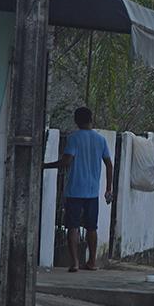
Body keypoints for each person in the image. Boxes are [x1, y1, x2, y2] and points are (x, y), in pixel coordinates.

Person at [45, 107, 113, 273]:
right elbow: (109, 165)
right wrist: (108, 188)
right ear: (91, 119)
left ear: (76, 121)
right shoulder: (101, 140)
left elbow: (66, 162)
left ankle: (75, 262)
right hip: (92, 191)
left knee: (73, 226)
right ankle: (92, 262)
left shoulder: (73, 138)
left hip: (75, 190)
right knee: (92, 227)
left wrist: (45, 165)